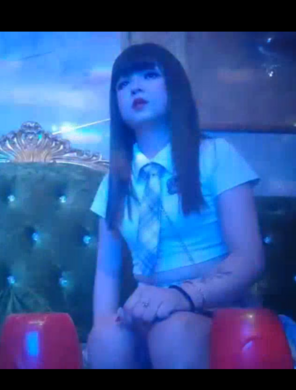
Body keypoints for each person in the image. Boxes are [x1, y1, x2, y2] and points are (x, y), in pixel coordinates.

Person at [87, 42, 264, 369]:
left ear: (175, 86)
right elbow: (107, 271)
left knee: (174, 332)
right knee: (105, 340)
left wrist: (182, 296)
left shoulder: (216, 155)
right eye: (123, 84)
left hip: (215, 305)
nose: (135, 87)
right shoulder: (115, 181)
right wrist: (104, 326)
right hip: (146, 308)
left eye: (149, 75)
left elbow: (249, 258)